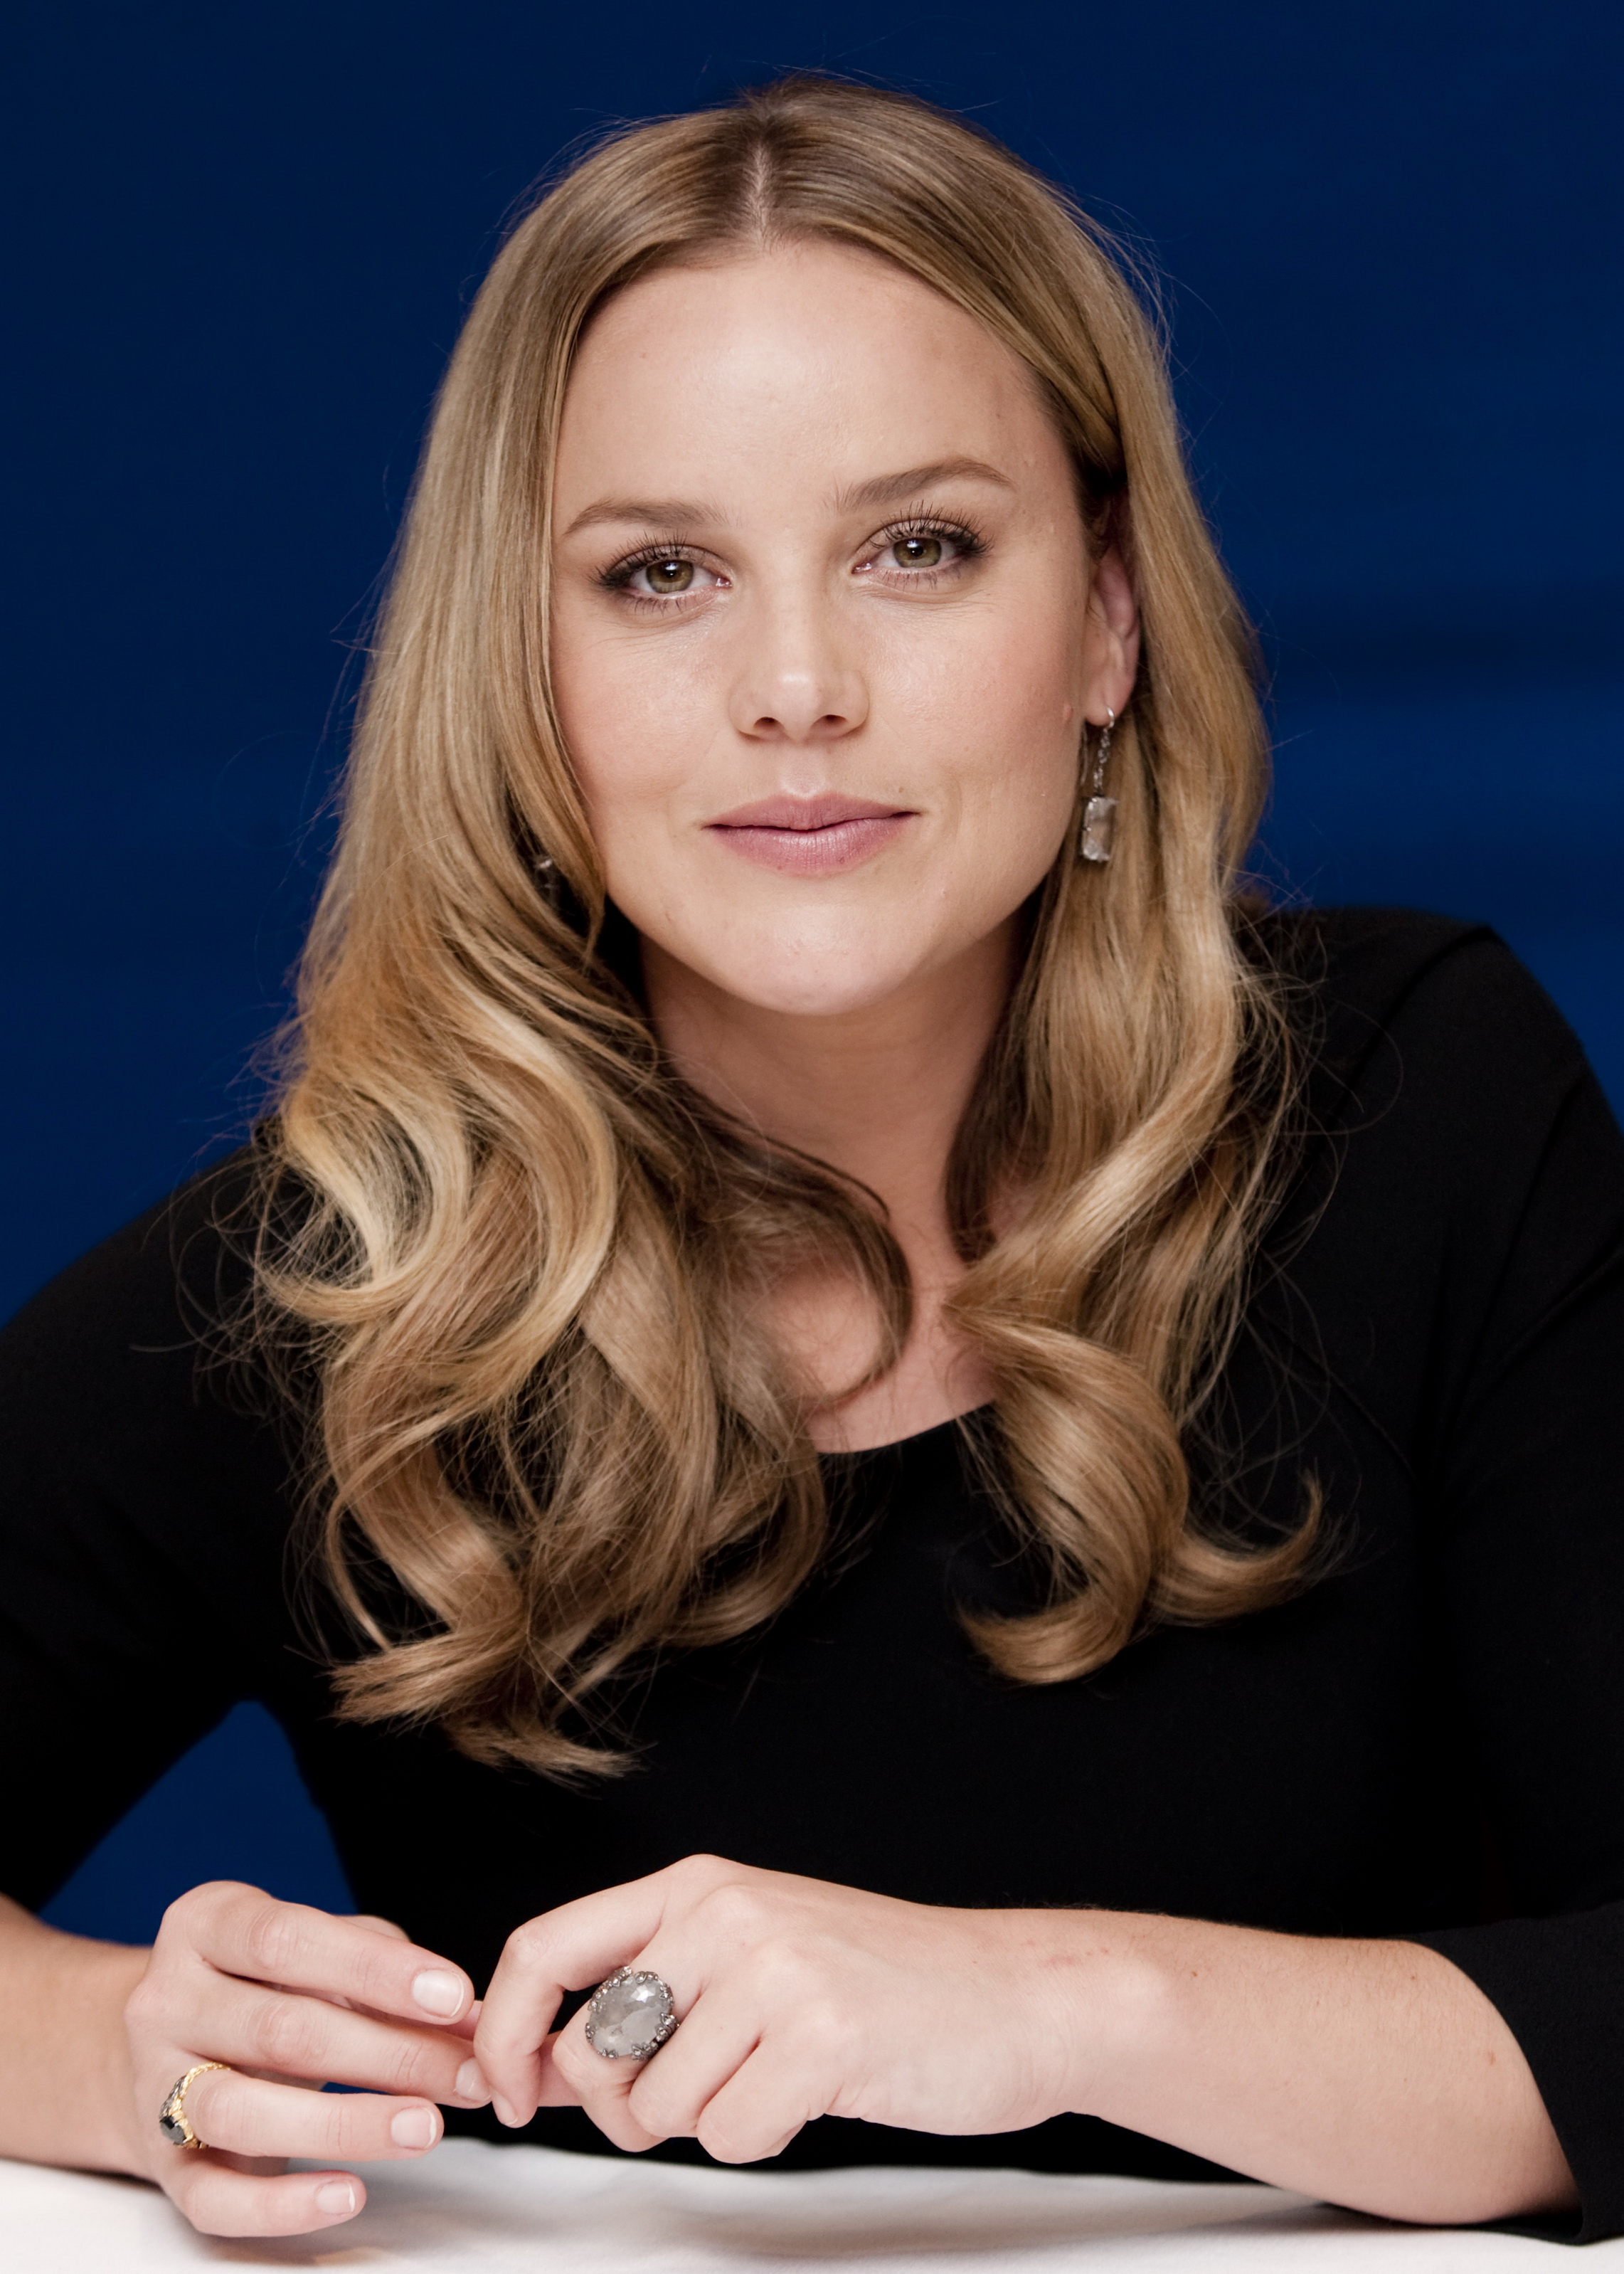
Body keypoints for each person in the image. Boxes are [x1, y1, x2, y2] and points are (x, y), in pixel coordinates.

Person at [2, 73, 1621, 2247]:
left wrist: (1047, 2001)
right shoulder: (327, 1283)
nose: (793, 685)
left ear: (1106, 621)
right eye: (659, 573)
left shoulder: (1414, 1097)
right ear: (523, 670)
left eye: (916, 547)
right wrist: (112, 2041)